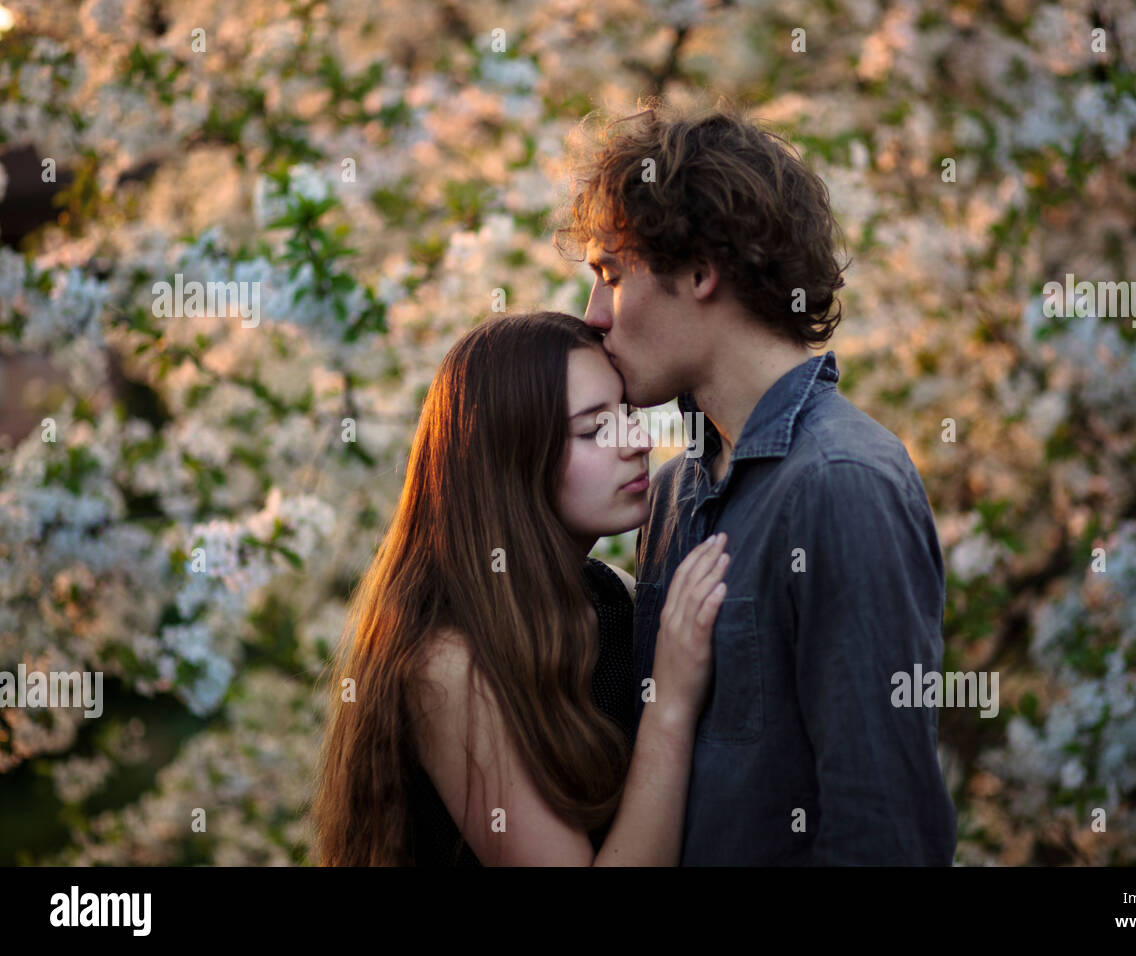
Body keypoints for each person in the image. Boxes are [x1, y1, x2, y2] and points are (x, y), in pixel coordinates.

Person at [554, 100, 958, 864]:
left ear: (702, 270)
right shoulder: (673, 495)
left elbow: (885, 833)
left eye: (610, 275)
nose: (593, 315)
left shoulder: (841, 484)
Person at [313, 311, 731, 865]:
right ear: (511, 463)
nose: (638, 441)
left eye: (626, 412)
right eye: (592, 429)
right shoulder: (447, 665)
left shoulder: (609, 598)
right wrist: (671, 706)